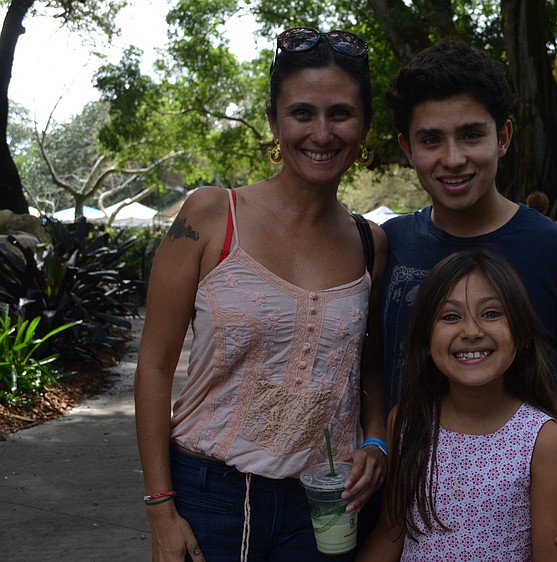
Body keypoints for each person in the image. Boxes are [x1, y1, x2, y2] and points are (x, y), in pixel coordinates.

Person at [134, 27, 389, 562]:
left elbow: (366, 366)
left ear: (363, 127)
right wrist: (161, 509)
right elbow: (155, 368)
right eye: (302, 113)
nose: (321, 133)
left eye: (341, 113)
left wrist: (375, 438)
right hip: (210, 497)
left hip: (324, 503)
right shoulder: (210, 217)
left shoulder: (372, 243)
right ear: (274, 121)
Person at [380, 40, 557, 559]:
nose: (453, 158)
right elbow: (370, 367)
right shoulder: (388, 245)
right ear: (407, 148)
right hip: (399, 505)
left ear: (503, 136)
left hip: (517, 505)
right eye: (431, 139)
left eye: (471, 134)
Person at [357, 250, 557, 561]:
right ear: (425, 340)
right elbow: (391, 532)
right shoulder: (408, 422)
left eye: (491, 313)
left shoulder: (542, 440)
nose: (472, 331)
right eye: (451, 316)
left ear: (520, 334)